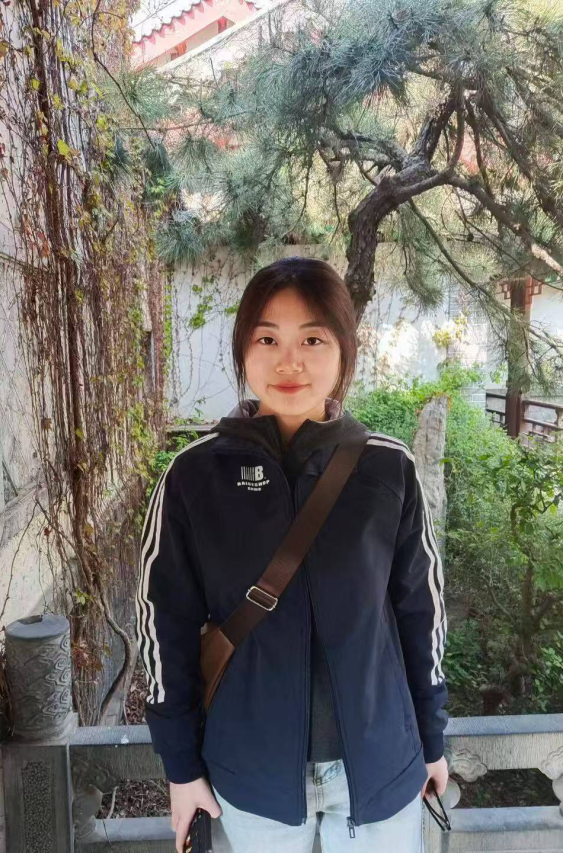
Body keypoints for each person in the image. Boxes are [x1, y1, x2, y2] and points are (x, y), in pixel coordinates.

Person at [135, 257, 449, 853]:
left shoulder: (388, 468)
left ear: (343, 350)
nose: (289, 361)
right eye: (267, 339)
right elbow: (162, 624)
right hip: (250, 774)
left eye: (312, 339)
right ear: (243, 350)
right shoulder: (194, 475)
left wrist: (431, 739)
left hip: (380, 766)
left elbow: (421, 613)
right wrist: (180, 767)